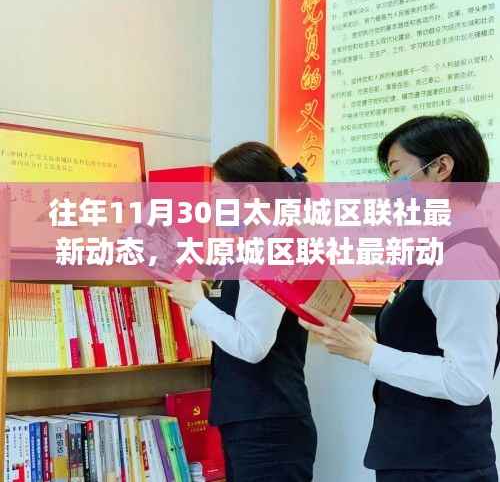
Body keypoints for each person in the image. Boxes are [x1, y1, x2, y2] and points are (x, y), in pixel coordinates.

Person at [300, 115, 500, 482]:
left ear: (441, 167)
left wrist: (369, 352)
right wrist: (360, 339)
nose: (390, 189)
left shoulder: (462, 258)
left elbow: (468, 382)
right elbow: (424, 343)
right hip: (416, 456)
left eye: (396, 172)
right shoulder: (440, 250)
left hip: (441, 465)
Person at [163, 142, 317, 482]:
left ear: (248, 194)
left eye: (218, 195)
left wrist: (196, 302)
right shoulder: (253, 246)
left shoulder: (272, 248)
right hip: (250, 420)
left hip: (267, 427)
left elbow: (252, 344)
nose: (212, 205)